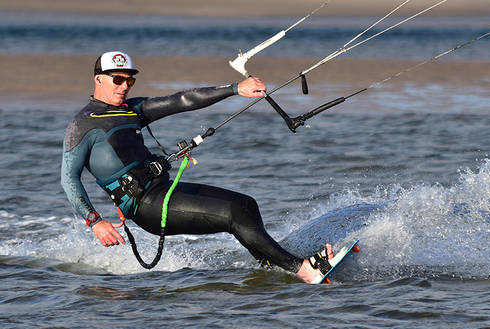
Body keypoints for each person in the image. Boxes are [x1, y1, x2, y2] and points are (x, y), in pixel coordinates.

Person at [61, 51, 334, 283]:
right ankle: (302, 270)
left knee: (247, 205)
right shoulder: (84, 124)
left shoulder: (132, 110)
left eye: (129, 80)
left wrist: (235, 89)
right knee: (234, 213)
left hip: (163, 190)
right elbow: (68, 179)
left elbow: (181, 100)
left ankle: (276, 269)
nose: (124, 86)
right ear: (98, 79)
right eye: (117, 80)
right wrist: (95, 222)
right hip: (147, 206)